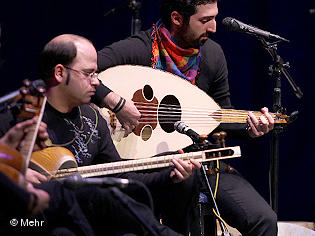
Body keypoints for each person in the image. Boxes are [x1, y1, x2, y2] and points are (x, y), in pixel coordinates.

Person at [92, 0, 278, 236]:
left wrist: (250, 128)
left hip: (203, 161)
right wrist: (117, 103)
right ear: (177, 18)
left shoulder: (212, 56)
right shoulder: (139, 49)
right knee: (182, 194)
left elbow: (219, 116)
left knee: (264, 219)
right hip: (151, 167)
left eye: (214, 18)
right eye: (205, 20)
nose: (214, 28)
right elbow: (83, 72)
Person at [0, 34, 195, 235]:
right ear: (59, 72)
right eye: (88, 74)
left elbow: (119, 176)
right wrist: (17, 173)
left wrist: (169, 177)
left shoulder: (93, 118)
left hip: (83, 217)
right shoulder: (18, 116)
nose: (96, 83)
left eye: (96, 74)